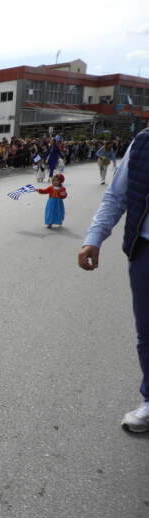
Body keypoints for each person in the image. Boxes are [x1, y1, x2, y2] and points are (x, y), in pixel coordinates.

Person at [79, 128, 149, 432]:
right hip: (145, 250)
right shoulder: (144, 142)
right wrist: (94, 237)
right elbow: (117, 196)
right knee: (147, 332)